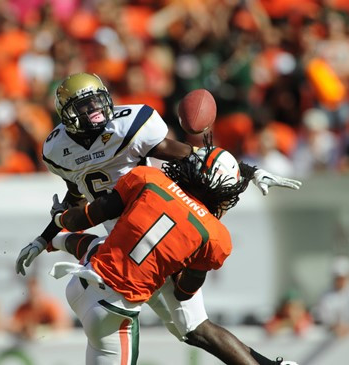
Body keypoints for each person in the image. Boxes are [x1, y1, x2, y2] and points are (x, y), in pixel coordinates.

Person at [16, 72, 301, 357]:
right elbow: (76, 192)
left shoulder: (130, 127)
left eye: (96, 102)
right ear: (67, 115)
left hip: (143, 218)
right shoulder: (58, 150)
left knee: (191, 326)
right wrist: (45, 238)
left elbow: (191, 155)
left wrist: (250, 171)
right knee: (192, 328)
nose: (94, 111)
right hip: (129, 230)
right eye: (84, 107)